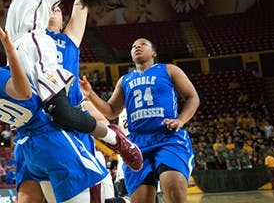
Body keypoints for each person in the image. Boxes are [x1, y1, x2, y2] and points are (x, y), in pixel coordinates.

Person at [0, 0, 142, 170]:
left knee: (62, 112)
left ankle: (116, 139)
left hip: (32, 45)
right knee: (39, 111)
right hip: (17, 50)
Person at [0, 20, 108, 203]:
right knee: (99, 190)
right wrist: (9, 49)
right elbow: (24, 92)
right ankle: (115, 140)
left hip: (29, 149)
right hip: (51, 139)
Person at [80, 38, 200, 203]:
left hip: (168, 138)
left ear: (153, 53)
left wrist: (181, 119)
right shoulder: (125, 80)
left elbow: (192, 97)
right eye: (133, 46)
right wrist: (90, 94)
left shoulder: (169, 70)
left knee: (174, 192)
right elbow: (111, 110)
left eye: (143, 44)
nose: (137, 47)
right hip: (137, 143)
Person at [43, 0, 116, 202]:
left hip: (75, 120)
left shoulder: (69, 40)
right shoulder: (32, 38)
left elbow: (81, 1)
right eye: (51, 7)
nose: (55, 9)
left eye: (58, 9)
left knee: (93, 191)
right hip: (44, 122)